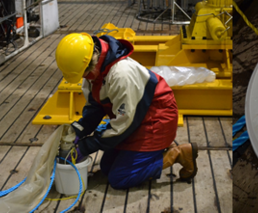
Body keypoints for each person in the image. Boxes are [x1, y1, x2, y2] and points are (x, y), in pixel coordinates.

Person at [55, 33, 199, 189]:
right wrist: (79, 130)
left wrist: (86, 146)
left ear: (91, 63)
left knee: (120, 178)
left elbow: (124, 124)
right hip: (135, 118)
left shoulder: (121, 74)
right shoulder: (95, 69)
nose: (84, 77)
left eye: (83, 73)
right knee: (106, 168)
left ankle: (177, 154)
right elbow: (96, 106)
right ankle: (154, 152)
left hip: (156, 121)